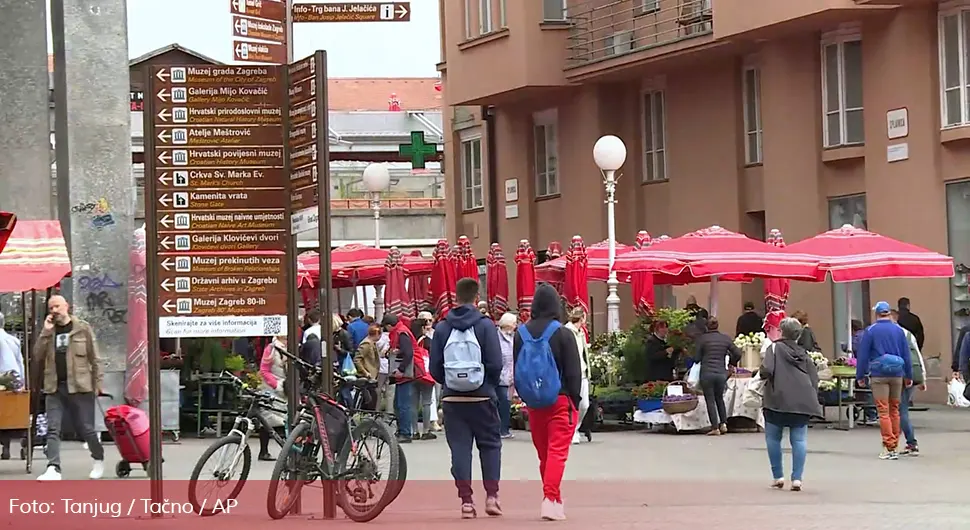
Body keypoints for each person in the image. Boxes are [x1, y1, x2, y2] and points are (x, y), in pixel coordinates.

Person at [429, 277, 504, 518]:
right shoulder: (486, 325)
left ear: (455, 297)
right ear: (476, 298)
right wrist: (486, 385)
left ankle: (466, 502)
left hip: (452, 399)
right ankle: (492, 496)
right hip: (482, 397)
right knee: (490, 445)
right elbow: (496, 363)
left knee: (460, 449)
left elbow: (435, 368)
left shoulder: (442, 327)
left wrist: (450, 383)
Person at [512, 283, 582, 521]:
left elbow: (517, 370)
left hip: (534, 402)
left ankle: (555, 500)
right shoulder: (563, 333)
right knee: (557, 453)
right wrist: (575, 399)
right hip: (561, 399)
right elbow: (574, 372)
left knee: (545, 455)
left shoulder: (520, 334)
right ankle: (549, 499)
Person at [32, 295, 105, 481]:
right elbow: (37, 355)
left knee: (86, 428)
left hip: (80, 386)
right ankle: (53, 467)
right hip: (54, 386)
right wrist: (45, 332)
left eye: (57, 306)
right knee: (53, 428)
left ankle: (98, 458)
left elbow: (95, 358)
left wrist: (98, 383)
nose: (54, 310)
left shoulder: (82, 328)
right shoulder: (49, 332)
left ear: (67, 306)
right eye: (50, 308)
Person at [760, 317, 821, 492]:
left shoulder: (774, 348)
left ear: (781, 331)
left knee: (773, 438)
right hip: (802, 399)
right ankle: (797, 479)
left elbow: (767, 370)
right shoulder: (804, 353)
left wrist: (761, 372)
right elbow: (814, 377)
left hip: (777, 398)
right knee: (799, 439)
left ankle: (778, 476)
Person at [856, 301, 913, 460]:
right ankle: (894, 442)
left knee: (883, 410)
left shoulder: (871, 331)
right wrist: (908, 375)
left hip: (878, 375)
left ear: (877, 314)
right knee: (895, 409)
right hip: (897, 374)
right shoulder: (899, 330)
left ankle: (889, 446)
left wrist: (860, 375)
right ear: (888, 313)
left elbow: (863, 355)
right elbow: (906, 354)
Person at [693, 317, 742, 436]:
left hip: (707, 373)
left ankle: (715, 427)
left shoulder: (702, 339)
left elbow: (697, 358)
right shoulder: (725, 338)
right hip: (721, 373)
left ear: (707, 326)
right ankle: (723, 424)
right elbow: (738, 353)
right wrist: (732, 363)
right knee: (719, 398)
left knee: (710, 399)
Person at [890, 309, 925, 456]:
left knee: (900, 410)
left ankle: (909, 442)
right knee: (900, 410)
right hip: (912, 374)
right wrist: (923, 376)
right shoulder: (907, 334)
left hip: (901, 374)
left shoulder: (893, 334)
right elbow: (917, 353)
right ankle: (906, 442)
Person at [384, 313, 415, 444]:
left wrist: (401, 369)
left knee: (403, 405)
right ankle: (402, 430)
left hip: (404, 374)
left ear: (390, 325)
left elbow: (409, 353)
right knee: (399, 404)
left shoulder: (402, 333)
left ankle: (405, 432)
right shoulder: (401, 331)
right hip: (402, 375)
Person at [563, 308, 591, 445]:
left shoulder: (581, 333)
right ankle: (572, 431)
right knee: (573, 403)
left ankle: (575, 427)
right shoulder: (566, 332)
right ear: (581, 319)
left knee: (584, 404)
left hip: (583, 372)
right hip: (572, 374)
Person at [258, 335, 288, 460]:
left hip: (286, 389)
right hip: (272, 389)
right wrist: (276, 385)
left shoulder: (290, 347)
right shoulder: (271, 348)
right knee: (268, 421)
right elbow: (264, 370)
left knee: (283, 421)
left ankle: (286, 453)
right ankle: (265, 451)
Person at [0, 312, 24, 460]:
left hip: (2, 380)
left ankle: (5, 446)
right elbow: (20, 363)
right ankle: (7, 445)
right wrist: (22, 383)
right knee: (9, 415)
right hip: (14, 382)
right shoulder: (13, 340)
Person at [409, 317, 436, 440]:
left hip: (412, 373)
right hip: (426, 374)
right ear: (423, 328)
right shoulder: (428, 342)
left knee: (413, 404)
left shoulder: (409, 340)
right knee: (426, 402)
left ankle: (414, 431)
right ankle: (426, 430)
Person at [496, 313, 516, 439]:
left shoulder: (513, 337)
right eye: (514, 323)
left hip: (510, 375)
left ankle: (504, 429)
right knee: (502, 402)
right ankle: (500, 429)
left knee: (507, 403)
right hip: (500, 375)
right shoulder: (496, 337)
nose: (516, 326)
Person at [354, 324, 382, 410]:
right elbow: (357, 359)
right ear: (377, 334)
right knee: (370, 400)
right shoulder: (366, 343)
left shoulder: (372, 344)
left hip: (372, 376)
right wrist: (365, 372)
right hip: (367, 377)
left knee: (372, 399)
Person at [375, 326, 395, 414]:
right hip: (391, 367)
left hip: (381, 367)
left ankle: (377, 410)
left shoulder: (380, 338)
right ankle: (389, 412)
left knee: (378, 390)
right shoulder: (393, 337)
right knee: (390, 392)